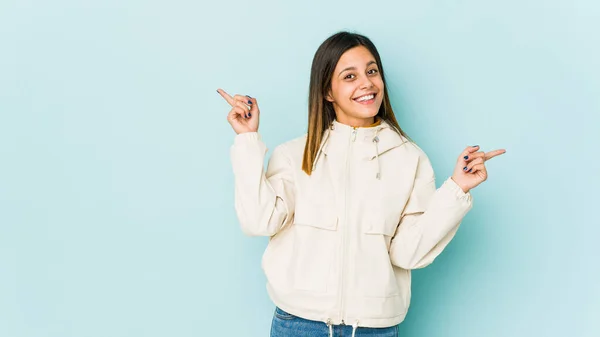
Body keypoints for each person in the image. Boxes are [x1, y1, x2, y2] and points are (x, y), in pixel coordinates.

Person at [217, 31, 505, 337]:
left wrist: (456, 190)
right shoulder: (295, 155)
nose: (366, 83)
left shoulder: (410, 159)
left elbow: (408, 253)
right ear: (327, 91)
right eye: (349, 76)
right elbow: (258, 220)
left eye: (371, 71)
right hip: (298, 324)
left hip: (373, 329)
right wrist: (247, 139)